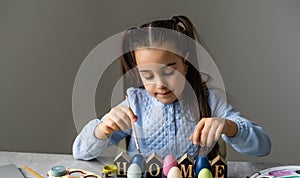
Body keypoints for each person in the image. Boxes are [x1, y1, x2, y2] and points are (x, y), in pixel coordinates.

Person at [72, 15, 271, 161]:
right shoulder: (135, 104)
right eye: (148, 75)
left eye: (169, 71)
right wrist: (102, 129)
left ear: (185, 62)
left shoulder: (210, 101)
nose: (160, 84)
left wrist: (230, 126)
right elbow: (80, 152)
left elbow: (263, 146)